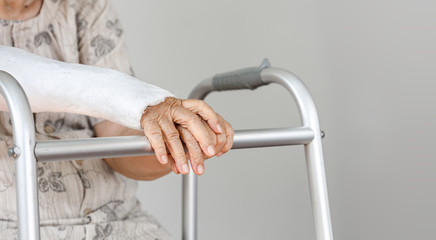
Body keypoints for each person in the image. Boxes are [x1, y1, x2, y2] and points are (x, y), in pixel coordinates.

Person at [0, 0, 233, 239]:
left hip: (114, 220)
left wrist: (173, 143)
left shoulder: (86, 7)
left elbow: (115, 133)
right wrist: (146, 102)